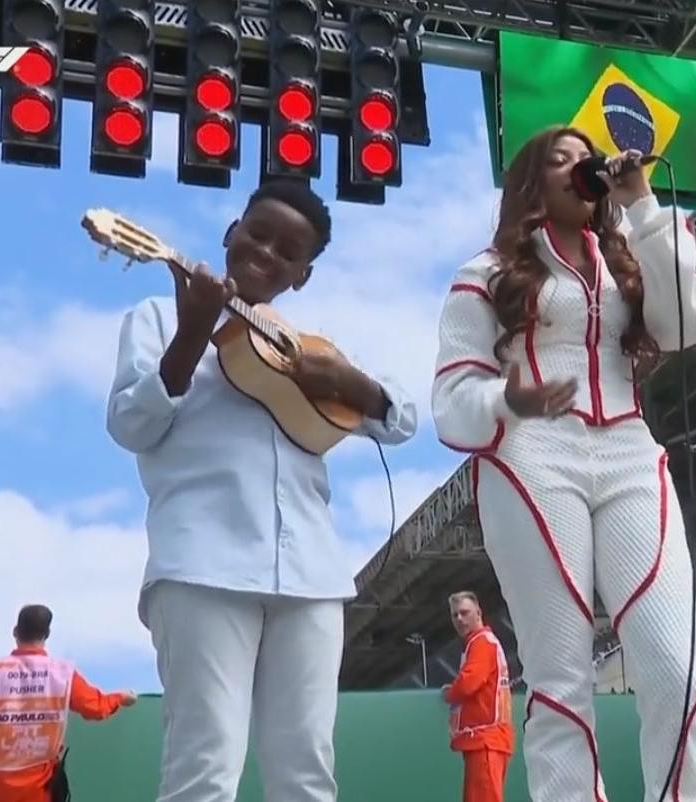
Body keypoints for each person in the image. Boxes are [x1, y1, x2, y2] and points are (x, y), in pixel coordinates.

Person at [431, 126, 696, 801]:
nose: (578, 168)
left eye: (584, 158)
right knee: (561, 682)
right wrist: (511, 396)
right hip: (530, 458)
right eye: (558, 160)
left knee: (677, 668)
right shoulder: (486, 271)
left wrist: (644, 207)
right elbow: (450, 398)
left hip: (628, 453)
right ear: (531, 183)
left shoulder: (627, 259)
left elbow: (684, 323)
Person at [105, 179, 417, 802]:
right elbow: (131, 425)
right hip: (202, 565)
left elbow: (401, 420)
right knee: (205, 763)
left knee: (305, 769)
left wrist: (351, 381)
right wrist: (192, 332)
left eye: (288, 251)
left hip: (311, 577)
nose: (266, 252)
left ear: (302, 275)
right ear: (230, 232)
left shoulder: (309, 350)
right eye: (257, 232)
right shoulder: (160, 316)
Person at [0, 605, 136, 802]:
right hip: (40, 789)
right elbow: (95, 708)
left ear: (15, 632)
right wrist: (121, 697)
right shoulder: (62, 673)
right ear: (47, 634)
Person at [442, 592, 513, 802]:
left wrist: (449, 694)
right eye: (455, 615)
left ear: (479, 613)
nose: (459, 619)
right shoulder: (485, 642)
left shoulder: (481, 643)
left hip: (485, 741)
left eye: (464, 613)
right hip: (488, 740)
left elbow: (468, 683)